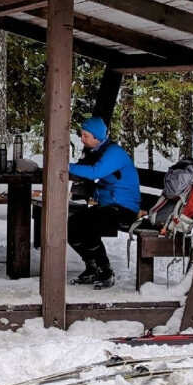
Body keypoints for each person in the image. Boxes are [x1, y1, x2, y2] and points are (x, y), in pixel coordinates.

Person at [66, 116, 141, 289]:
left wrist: (65, 165)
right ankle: (92, 267)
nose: (82, 138)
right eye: (82, 134)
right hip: (109, 206)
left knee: (90, 225)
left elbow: (95, 172)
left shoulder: (114, 153)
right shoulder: (97, 151)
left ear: (97, 137)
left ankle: (105, 270)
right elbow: (88, 168)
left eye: (85, 135)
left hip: (124, 208)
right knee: (72, 225)